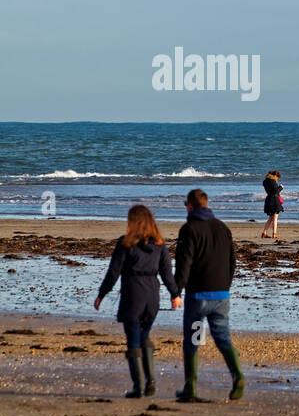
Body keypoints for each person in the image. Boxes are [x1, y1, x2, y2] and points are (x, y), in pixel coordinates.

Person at [94, 205, 182, 398]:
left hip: (133, 294)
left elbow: (114, 272)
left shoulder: (125, 244)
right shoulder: (159, 245)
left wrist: (102, 294)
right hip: (152, 295)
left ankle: (138, 387)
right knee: (145, 335)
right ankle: (150, 381)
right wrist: (175, 295)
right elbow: (167, 273)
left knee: (133, 340)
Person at [174, 189, 245, 401]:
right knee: (222, 337)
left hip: (198, 297)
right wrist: (226, 286)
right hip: (221, 296)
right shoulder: (223, 228)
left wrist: (176, 291)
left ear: (190, 206)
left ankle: (191, 387)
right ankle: (238, 375)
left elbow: (184, 263)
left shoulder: (189, 229)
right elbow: (232, 261)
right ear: (207, 204)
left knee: (194, 340)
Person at [260, 170, 283, 239]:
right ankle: (274, 234)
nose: (277, 179)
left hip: (268, 199)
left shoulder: (265, 181)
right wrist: (281, 187)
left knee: (271, 218)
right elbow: (276, 191)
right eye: (277, 177)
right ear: (275, 176)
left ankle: (264, 233)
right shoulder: (273, 181)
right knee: (275, 217)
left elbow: (270, 191)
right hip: (274, 200)